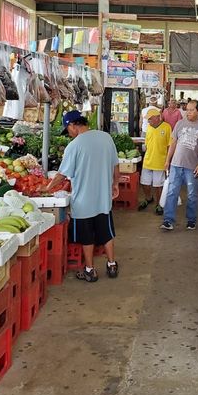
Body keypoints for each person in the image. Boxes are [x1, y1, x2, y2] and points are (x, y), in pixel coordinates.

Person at [46, 110, 120, 282]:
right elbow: (115, 165)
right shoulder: (106, 137)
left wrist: (47, 187)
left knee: (87, 237)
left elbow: (61, 175)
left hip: (83, 202)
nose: (69, 134)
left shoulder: (74, 145)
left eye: (68, 130)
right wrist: (115, 184)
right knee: (106, 233)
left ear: (73, 125)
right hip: (103, 198)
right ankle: (112, 265)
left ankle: (90, 270)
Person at [161, 100, 198, 231]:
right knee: (172, 192)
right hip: (176, 164)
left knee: (192, 195)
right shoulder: (180, 123)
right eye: (187, 109)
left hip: (192, 166)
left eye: (192, 110)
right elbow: (173, 143)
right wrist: (167, 161)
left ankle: (191, 220)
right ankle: (168, 220)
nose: (188, 112)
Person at [139, 108, 171, 215]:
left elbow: (169, 145)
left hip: (160, 161)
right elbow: (147, 143)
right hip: (148, 160)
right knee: (144, 183)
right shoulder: (149, 127)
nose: (148, 121)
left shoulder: (166, 127)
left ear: (158, 117)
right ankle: (148, 198)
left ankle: (159, 204)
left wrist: (168, 161)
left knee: (158, 185)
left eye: (150, 119)